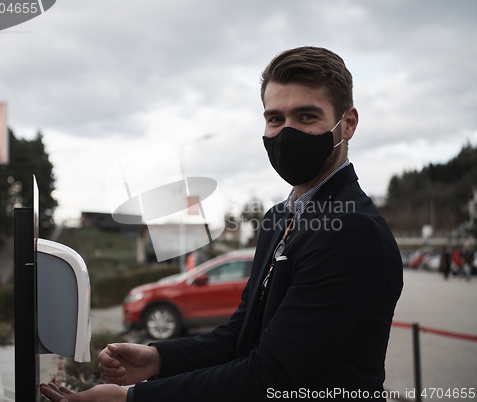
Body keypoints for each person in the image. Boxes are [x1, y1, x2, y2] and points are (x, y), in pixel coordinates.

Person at [41, 46, 404, 402]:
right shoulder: (280, 217)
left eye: (307, 117)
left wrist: (130, 398)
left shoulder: (353, 231)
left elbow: (270, 376)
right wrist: (159, 358)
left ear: (349, 123)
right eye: (275, 118)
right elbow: (242, 335)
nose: (287, 133)